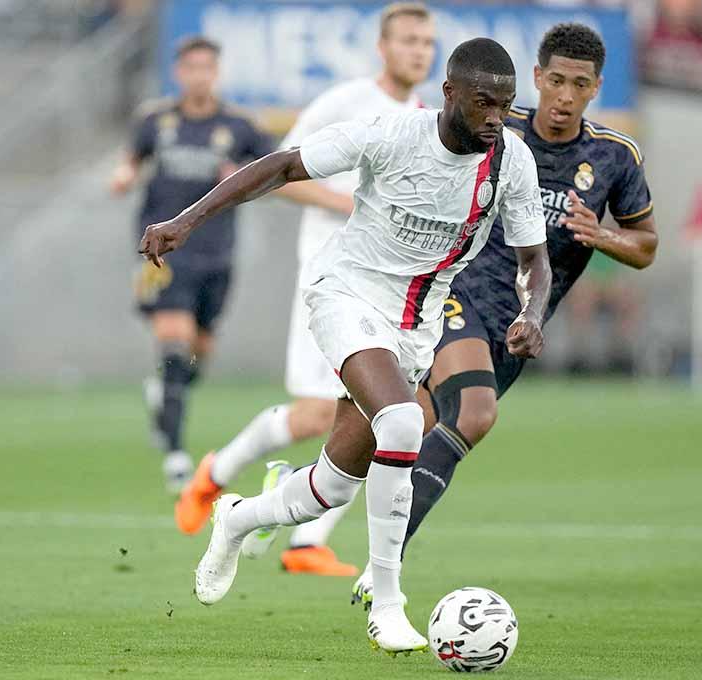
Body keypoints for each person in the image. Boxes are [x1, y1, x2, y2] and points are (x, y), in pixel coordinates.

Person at [139, 37, 550, 654]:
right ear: (450, 95)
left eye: (505, 104)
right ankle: (387, 602)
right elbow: (279, 167)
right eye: (483, 102)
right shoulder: (391, 134)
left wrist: (532, 312)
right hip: (346, 295)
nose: (495, 116)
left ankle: (238, 518)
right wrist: (185, 221)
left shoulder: (511, 161)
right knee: (405, 420)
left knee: (332, 486)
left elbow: (534, 260)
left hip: (417, 326)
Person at [350, 22, 658, 605]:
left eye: (581, 85)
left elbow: (646, 244)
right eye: (557, 80)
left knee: (398, 437)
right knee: (474, 413)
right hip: (452, 293)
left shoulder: (614, 159)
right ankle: (382, 570)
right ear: (537, 78)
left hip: (520, 326)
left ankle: (286, 502)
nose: (565, 96)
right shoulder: (493, 127)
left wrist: (602, 236)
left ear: (596, 89)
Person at [172, 1, 436, 578]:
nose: (419, 50)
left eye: (426, 41)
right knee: (325, 413)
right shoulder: (346, 102)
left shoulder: (423, 117)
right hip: (331, 279)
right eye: (408, 40)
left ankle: (304, 541)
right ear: (383, 47)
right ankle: (218, 476)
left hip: (386, 288)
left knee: (382, 413)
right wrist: (349, 202)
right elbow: (279, 173)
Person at [109, 36, 272, 494]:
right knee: (176, 345)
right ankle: (176, 455)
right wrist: (123, 176)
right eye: (191, 67)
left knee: (199, 353)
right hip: (161, 254)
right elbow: (131, 160)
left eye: (207, 68)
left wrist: (242, 177)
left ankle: (165, 391)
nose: (199, 75)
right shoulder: (154, 120)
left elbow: (271, 169)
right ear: (179, 72)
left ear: (216, 73)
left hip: (216, 254)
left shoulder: (240, 126)